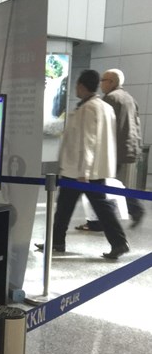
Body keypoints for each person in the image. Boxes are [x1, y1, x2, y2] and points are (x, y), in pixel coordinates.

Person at [36, 69, 129, 259]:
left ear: (81, 85)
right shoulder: (103, 106)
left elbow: (87, 141)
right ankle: (59, 241)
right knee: (80, 207)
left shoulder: (89, 108)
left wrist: (83, 172)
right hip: (92, 171)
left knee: (69, 207)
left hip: (80, 172)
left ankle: (117, 242)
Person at [75, 68, 145, 231]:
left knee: (102, 186)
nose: (101, 84)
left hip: (113, 152)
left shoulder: (110, 99)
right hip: (127, 148)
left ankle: (112, 217)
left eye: (103, 81)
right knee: (112, 185)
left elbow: (103, 129)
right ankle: (127, 211)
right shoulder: (129, 98)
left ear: (112, 82)